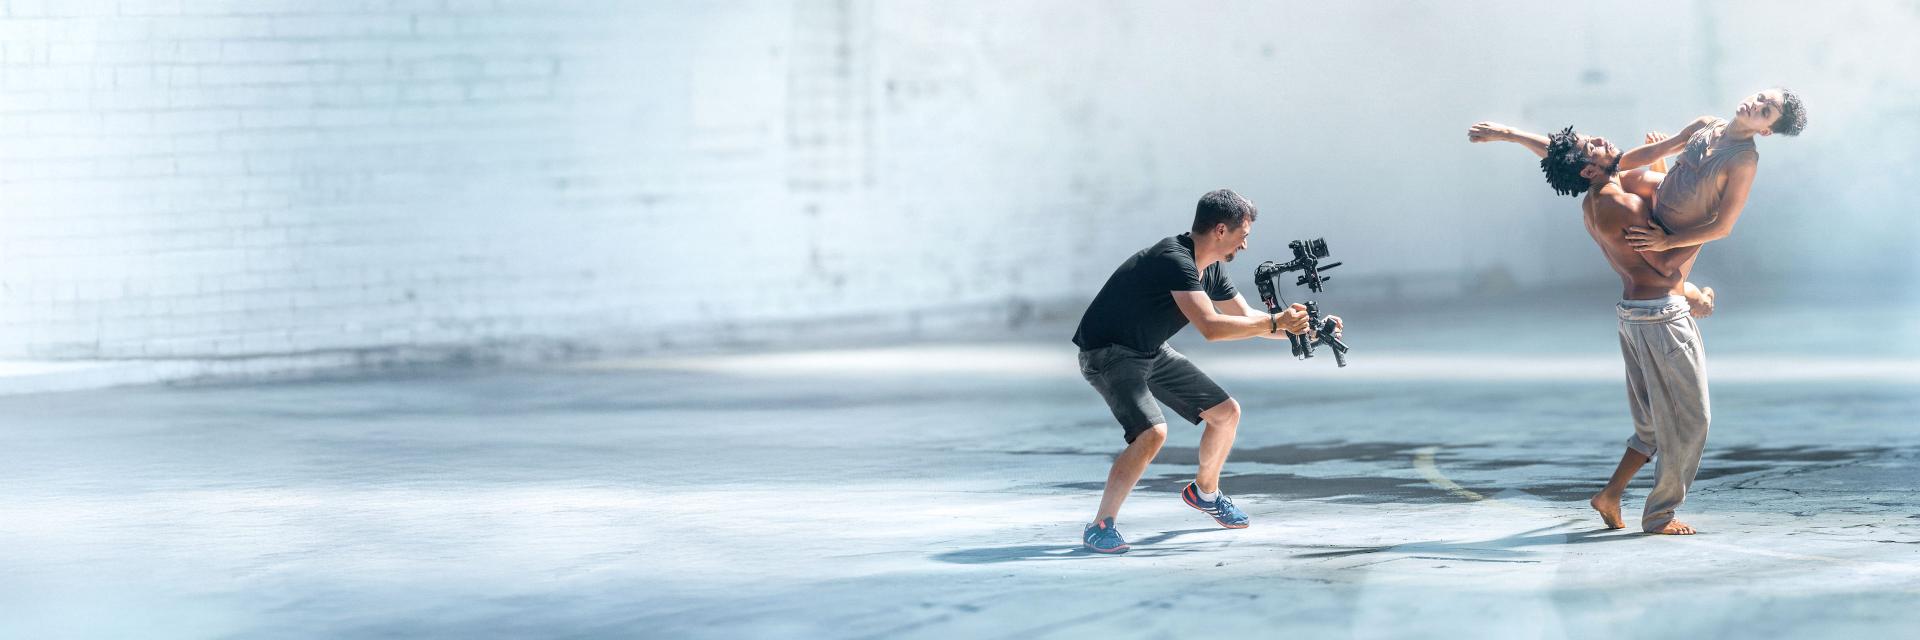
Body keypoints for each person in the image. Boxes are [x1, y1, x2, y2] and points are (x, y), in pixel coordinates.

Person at [1468, 124, 1713, 534]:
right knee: (1692, 421)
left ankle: (1610, 495)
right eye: (1592, 147)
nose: (1601, 140)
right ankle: (1659, 515)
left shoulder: (1600, 193)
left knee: (1652, 426)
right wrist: (1710, 228)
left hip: (1636, 314)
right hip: (1660, 319)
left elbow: (1563, 152)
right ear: (1587, 171)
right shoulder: (1619, 203)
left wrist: (1510, 134)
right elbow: (1667, 268)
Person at [1071, 188, 1338, 553]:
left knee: (1226, 413)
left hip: (1151, 349)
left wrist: (1310, 329)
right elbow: (1212, 327)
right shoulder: (1173, 259)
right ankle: (1101, 525)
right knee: (1152, 432)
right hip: (1108, 353)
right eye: (1243, 236)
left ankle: (1205, 493)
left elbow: (1246, 318)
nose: (1244, 246)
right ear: (1219, 231)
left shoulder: (1211, 270)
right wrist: (1279, 323)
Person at [1618, 88, 1808, 253]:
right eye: (1759, 97)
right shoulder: (1705, 124)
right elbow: (1656, 150)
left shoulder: (1744, 161)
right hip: (1657, 194)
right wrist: (1611, 165)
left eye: (1765, 112)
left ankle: (1700, 296)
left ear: (1765, 131)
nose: (1756, 105)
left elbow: (1723, 227)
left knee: (1660, 281)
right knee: (1612, 180)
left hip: (1676, 232)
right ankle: (1650, 170)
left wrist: (1667, 242)